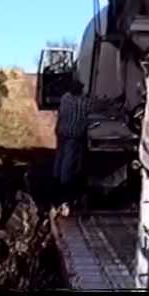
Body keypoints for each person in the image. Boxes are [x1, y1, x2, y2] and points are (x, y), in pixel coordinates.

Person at [53, 80, 93, 215]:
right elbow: (96, 107)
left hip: (61, 133)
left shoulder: (65, 98)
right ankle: (66, 192)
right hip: (73, 136)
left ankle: (56, 181)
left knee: (60, 159)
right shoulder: (83, 102)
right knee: (68, 165)